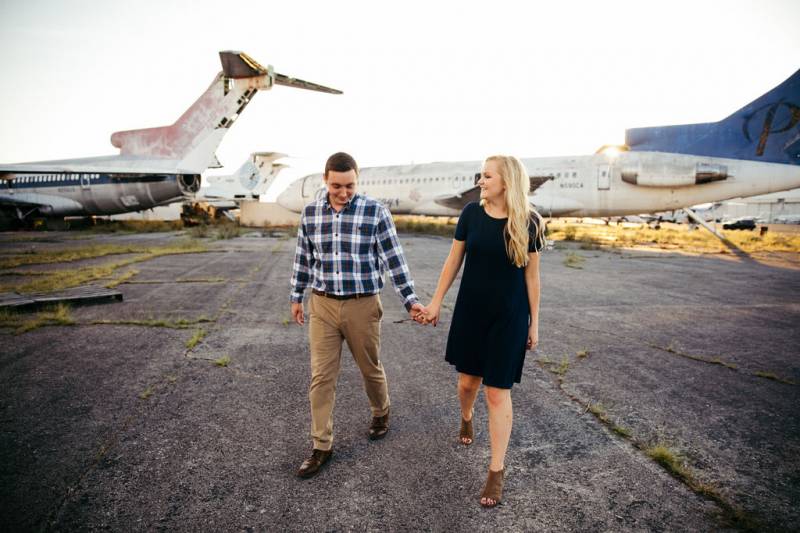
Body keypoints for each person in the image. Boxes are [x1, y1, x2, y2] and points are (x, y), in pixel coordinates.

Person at [290, 151, 426, 479]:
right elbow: (303, 258)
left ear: (357, 179)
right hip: (322, 305)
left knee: (370, 368)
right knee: (321, 376)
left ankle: (381, 412)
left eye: (350, 185)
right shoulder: (310, 214)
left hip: (362, 304)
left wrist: (411, 301)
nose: (343, 192)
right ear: (325, 180)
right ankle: (321, 446)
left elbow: (395, 260)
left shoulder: (375, 212)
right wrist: (297, 296)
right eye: (337, 185)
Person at [422, 155, 544, 507]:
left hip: (509, 317)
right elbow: (453, 260)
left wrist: (534, 322)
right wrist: (435, 303)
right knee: (467, 384)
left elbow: (532, 277)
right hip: (471, 312)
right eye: (481, 175)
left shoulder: (530, 222)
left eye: (487, 175)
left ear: (506, 181)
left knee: (497, 392)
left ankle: (496, 471)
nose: (481, 180)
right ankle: (466, 416)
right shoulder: (471, 215)